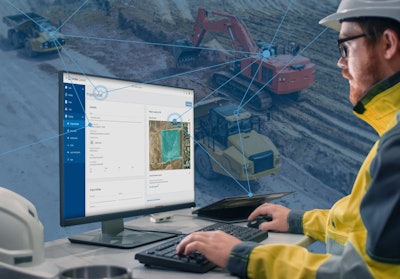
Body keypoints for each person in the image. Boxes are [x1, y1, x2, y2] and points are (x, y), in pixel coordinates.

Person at [176, 0, 400, 277]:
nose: (340, 64)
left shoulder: (396, 145)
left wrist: (245, 257)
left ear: (388, 44)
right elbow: (367, 225)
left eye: (345, 48)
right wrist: (300, 221)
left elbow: (365, 275)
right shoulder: (392, 130)